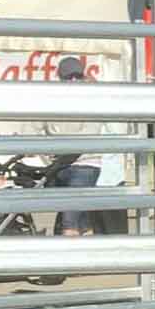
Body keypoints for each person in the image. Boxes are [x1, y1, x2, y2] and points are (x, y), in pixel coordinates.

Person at [42, 57, 104, 237]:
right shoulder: (52, 102)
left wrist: (60, 151)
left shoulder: (91, 100)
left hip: (84, 165)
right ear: (60, 77)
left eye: (77, 76)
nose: (73, 80)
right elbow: (44, 128)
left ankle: (68, 261)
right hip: (62, 166)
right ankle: (91, 259)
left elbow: (89, 134)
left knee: (69, 219)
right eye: (68, 77)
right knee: (81, 219)